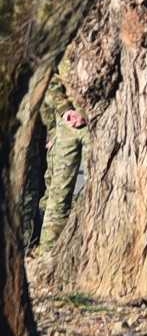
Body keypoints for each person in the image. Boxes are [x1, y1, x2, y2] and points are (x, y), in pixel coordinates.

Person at [39, 60, 87, 250]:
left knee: (98, 186)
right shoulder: (63, 39)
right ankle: (47, 252)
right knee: (58, 193)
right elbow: (50, 79)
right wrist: (66, 110)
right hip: (66, 124)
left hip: (96, 118)